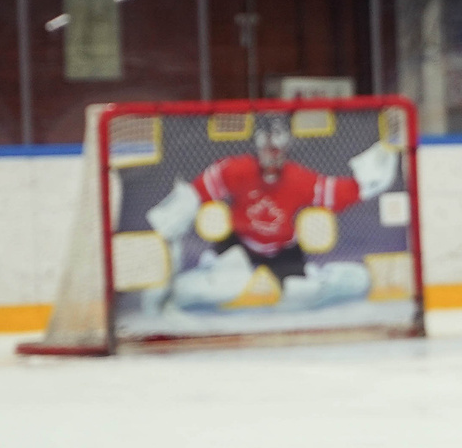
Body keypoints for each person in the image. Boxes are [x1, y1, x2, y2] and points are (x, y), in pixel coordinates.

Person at [145, 109, 401, 311]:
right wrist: (172, 219)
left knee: (302, 295)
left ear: (285, 150)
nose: (271, 156)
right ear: (258, 149)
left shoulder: (298, 178)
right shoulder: (236, 170)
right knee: (222, 289)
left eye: (277, 150)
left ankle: (328, 276)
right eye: (267, 150)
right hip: (239, 244)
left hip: (284, 250)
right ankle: (178, 287)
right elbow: (195, 193)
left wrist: (370, 177)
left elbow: (339, 193)